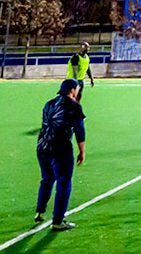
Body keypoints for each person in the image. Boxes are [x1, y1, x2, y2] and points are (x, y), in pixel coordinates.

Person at [35, 79, 86, 230]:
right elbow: (80, 131)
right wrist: (82, 151)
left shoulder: (49, 104)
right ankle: (58, 221)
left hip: (42, 146)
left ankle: (40, 211)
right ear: (72, 90)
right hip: (60, 149)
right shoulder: (74, 106)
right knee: (63, 182)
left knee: (47, 178)